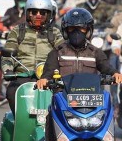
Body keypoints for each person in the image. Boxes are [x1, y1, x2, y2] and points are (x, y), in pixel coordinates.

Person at [35, 8, 122, 138]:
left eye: (81, 28)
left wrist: (115, 73)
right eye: (71, 28)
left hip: (93, 102)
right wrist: (44, 80)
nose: (76, 32)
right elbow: (48, 71)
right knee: (50, 119)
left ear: (88, 30)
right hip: (64, 102)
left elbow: (106, 67)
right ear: (65, 31)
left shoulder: (95, 52)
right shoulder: (57, 52)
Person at [2, 0, 64, 116]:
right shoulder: (17, 31)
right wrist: (8, 70)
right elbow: (8, 55)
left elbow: (63, 53)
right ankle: (20, 122)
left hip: (48, 76)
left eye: (43, 12)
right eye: (34, 12)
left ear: (49, 15)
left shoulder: (55, 33)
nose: (38, 15)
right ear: (27, 13)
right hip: (23, 75)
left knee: (62, 97)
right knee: (12, 92)